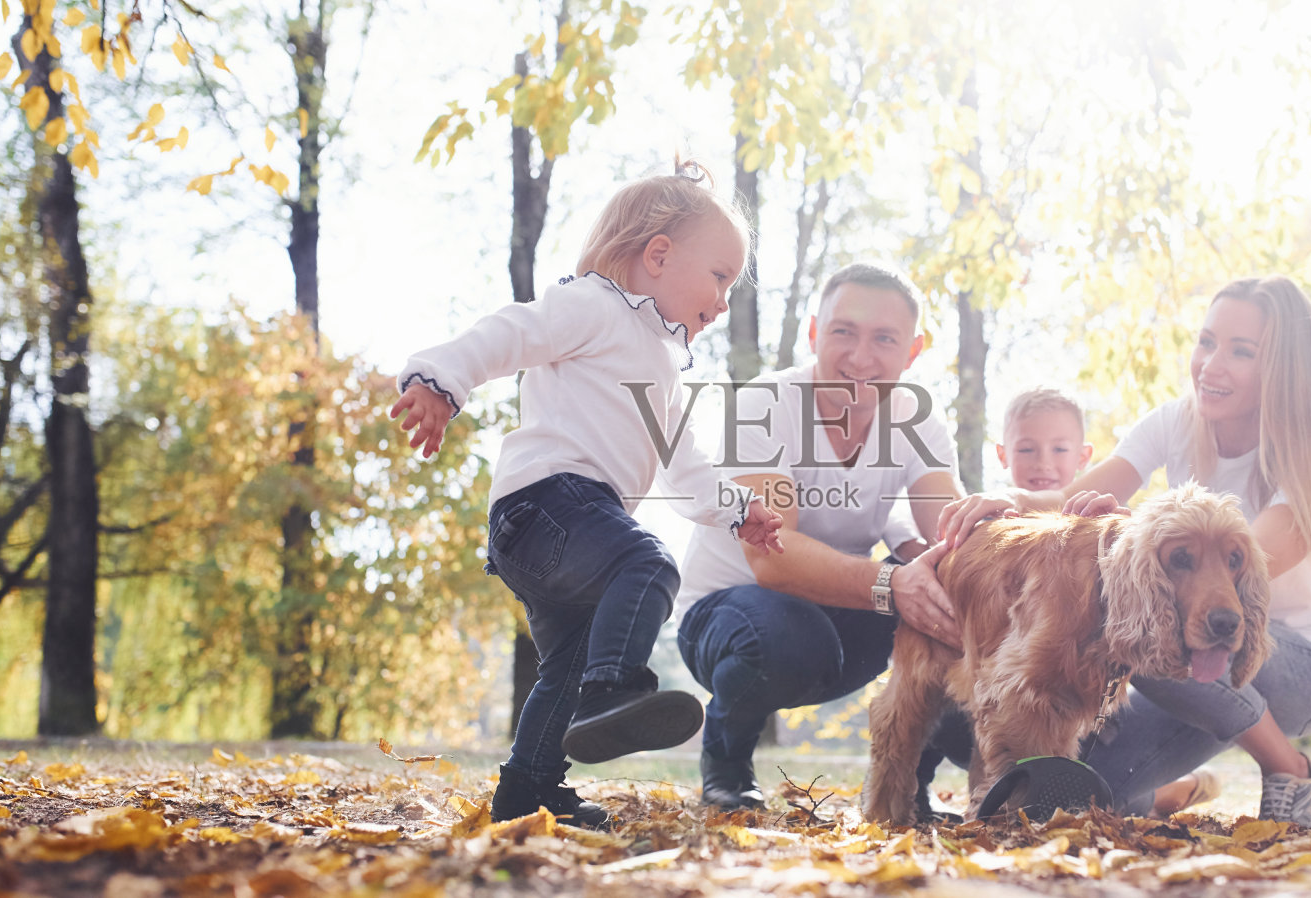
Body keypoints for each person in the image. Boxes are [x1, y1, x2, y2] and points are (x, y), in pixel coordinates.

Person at [390, 163, 785, 829]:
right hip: (547, 507)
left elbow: (685, 470)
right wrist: (440, 379)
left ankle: (528, 791)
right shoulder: (592, 305)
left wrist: (739, 510)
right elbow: (509, 333)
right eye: (719, 276)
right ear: (658, 255)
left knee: (563, 670)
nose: (723, 301)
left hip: (565, 536)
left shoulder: (661, 364)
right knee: (649, 564)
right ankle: (613, 691)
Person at [937, 275, 1311, 826]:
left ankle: (1287, 767)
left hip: (1299, 662)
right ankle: (1173, 794)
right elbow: (1071, 504)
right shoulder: (1176, 421)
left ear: (1283, 369)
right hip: (1192, 659)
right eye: (1207, 342)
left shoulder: (1309, 461)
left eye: (1241, 352)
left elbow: (1242, 575)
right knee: (1076, 781)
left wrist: (1138, 544)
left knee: (1138, 622)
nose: (1211, 365)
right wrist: (1011, 500)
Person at [675, 262, 967, 816]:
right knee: (793, 629)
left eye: (884, 338)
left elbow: (949, 529)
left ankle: (909, 786)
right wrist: (892, 582)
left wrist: (1005, 527)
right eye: (843, 332)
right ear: (813, 333)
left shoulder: (916, 419)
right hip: (727, 620)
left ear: (913, 350)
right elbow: (773, 560)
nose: (861, 356)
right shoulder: (764, 405)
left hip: (834, 618)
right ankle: (726, 765)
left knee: (944, 598)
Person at [995, 388, 1093, 494]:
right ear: (1003, 456)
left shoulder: (1099, 509)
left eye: (1060, 449)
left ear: (1082, 457)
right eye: (1026, 450)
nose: (1043, 464)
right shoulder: (989, 508)